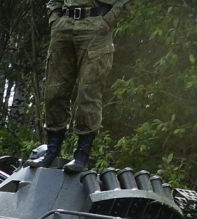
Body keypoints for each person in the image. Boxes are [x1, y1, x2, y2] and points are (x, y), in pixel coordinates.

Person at [28, 0, 130, 174]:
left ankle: (82, 154)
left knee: (88, 91)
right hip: (64, 24)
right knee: (54, 90)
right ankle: (52, 149)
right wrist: (55, 17)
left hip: (96, 23)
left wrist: (108, 20)